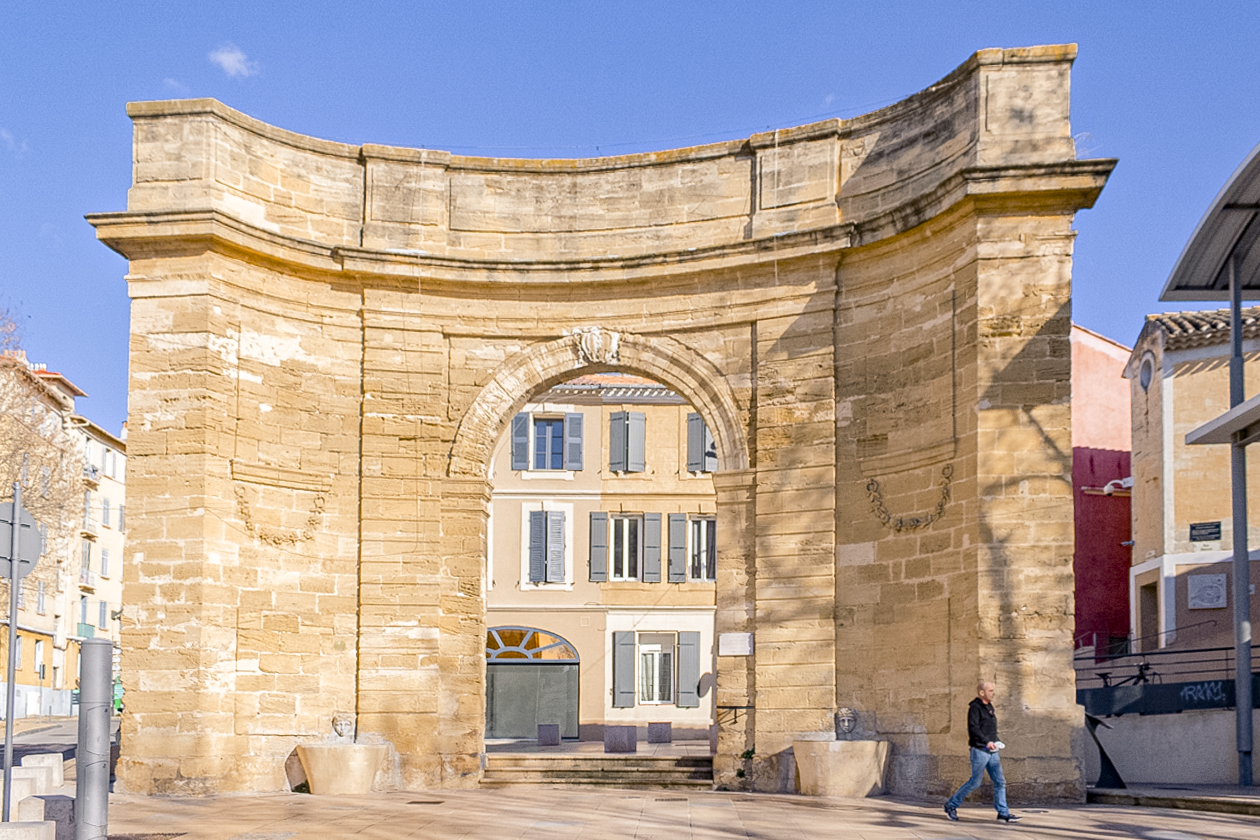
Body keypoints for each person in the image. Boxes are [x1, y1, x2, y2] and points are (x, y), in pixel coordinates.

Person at [943, 681, 1021, 823]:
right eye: (990, 690)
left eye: (993, 690)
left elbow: (990, 728)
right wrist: (987, 742)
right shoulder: (975, 708)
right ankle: (951, 805)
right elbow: (974, 728)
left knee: (1000, 781)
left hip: (992, 752)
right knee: (975, 782)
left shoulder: (989, 707)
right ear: (981, 692)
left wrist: (996, 740)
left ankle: (1003, 813)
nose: (993, 693)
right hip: (980, 750)